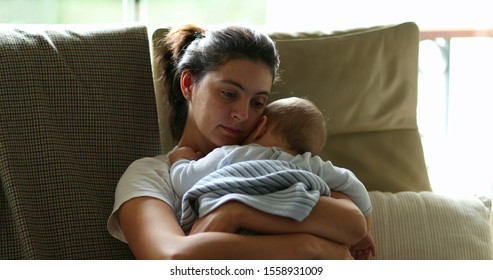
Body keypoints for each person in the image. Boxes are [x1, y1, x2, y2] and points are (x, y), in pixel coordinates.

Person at [107, 23, 368, 259]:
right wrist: (308, 247)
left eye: (257, 103)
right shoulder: (150, 176)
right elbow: (172, 260)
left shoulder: (287, 163)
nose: (242, 115)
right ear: (188, 84)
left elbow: (354, 223)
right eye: (229, 93)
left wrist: (235, 213)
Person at [169, 97, 376, 260]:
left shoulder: (230, 153)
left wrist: (180, 160)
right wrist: (364, 230)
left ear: (261, 126)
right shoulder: (309, 164)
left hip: (228, 238)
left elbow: (183, 182)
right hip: (292, 222)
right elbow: (352, 184)